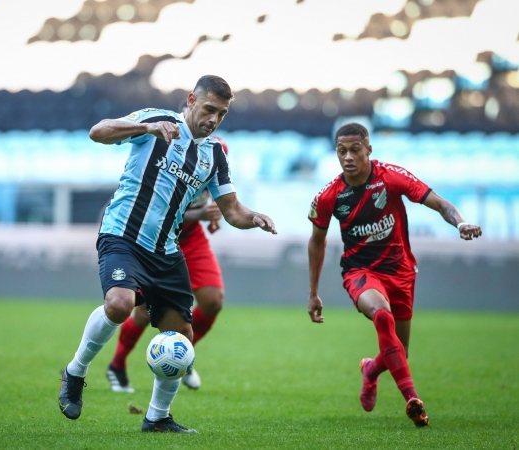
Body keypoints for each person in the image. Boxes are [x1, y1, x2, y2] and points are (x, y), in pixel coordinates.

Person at [58, 75, 277, 434]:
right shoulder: (159, 121)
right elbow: (98, 131)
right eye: (209, 109)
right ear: (191, 100)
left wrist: (253, 218)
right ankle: (75, 371)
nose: (213, 119)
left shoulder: (215, 153)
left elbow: (232, 210)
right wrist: (146, 126)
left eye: (221, 114)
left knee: (181, 338)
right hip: (123, 235)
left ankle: (157, 417)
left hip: (165, 250)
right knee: (119, 305)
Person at [306, 122, 482, 428]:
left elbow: (440, 203)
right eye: (341, 151)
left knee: (400, 351)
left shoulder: (391, 177)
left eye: (354, 150)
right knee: (382, 316)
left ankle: (371, 370)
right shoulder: (328, 197)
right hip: (360, 272)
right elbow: (316, 241)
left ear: (368, 150)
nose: (348, 157)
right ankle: (413, 399)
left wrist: (461, 223)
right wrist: (313, 292)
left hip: (401, 271)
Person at [105, 136, 229, 393]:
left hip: (192, 238)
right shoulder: (167, 150)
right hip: (156, 238)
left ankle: (182, 353)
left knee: (213, 300)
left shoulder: (217, 150)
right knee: (144, 311)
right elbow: (162, 211)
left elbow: (216, 185)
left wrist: (215, 211)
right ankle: (116, 364)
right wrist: (203, 214)